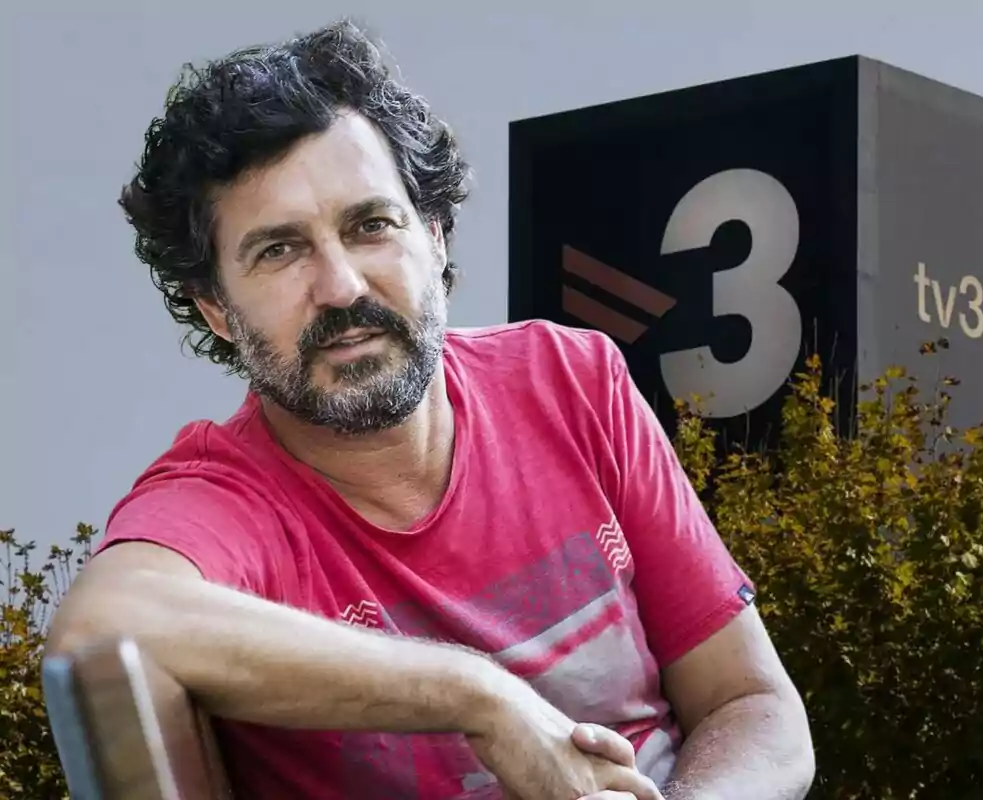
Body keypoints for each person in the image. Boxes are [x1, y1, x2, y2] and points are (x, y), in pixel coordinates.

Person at [46, 18, 815, 800]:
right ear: (215, 306)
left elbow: (753, 704)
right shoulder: (226, 502)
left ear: (436, 235)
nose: (342, 286)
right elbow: (100, 633)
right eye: (279, 250)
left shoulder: (571, 380)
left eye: (370, 225)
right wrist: (474, 698)